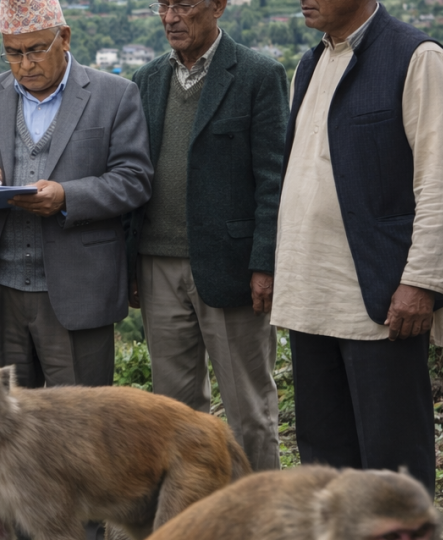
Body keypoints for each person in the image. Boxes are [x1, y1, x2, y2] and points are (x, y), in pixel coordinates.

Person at [275, 0, 443, 496]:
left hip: (381, 303)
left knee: (392, 471)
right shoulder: (311, 63)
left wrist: (421, 282)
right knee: (326, 466)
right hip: (311, 300)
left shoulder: (418, 58)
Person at [0, 0, 152, 390]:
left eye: (35, 50)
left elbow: (135, 179)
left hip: (78, 289)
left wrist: (68, 197)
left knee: (80, 428)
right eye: (13, 53)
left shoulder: (115, 95)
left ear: (64, 38)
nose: (25, 64)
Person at [127, 0, 288, 471]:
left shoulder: (258, 74)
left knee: (249, 411)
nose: (171, 17)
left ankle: (257, 513)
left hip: (233, 267)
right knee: (175, 411)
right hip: (157, 263)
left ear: (218, 6)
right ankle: (193, 513)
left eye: (184, 5)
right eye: (163, 5)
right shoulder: (147, 80)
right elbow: (133, 176)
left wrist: (265, 263)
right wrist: (129, 266)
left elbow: (274, 178)